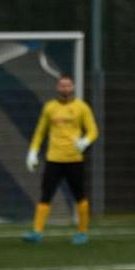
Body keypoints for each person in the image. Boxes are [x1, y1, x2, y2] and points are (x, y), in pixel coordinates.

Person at [24, 73, 99, 245]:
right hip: (54, 159)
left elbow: (93, 130)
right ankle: (37, 232)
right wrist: (32, 152)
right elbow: (40, 132)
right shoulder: (50, 107)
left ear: (73, 87)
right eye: (62, 85)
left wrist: (85, 141)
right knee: (46, 194)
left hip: (74, 160)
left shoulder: (82, 107)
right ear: (57, 88)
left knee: (79, 195)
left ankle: (82, 232)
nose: (65, 88)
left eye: (68, 85)